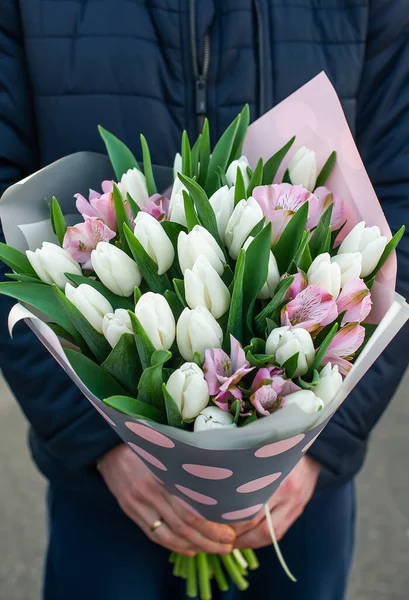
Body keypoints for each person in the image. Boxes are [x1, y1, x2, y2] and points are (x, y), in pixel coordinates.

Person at [0, 1, 408, 599]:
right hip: (111, 479)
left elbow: (398, 189)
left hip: (300, 480)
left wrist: (328, 437)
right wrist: (99, 441)